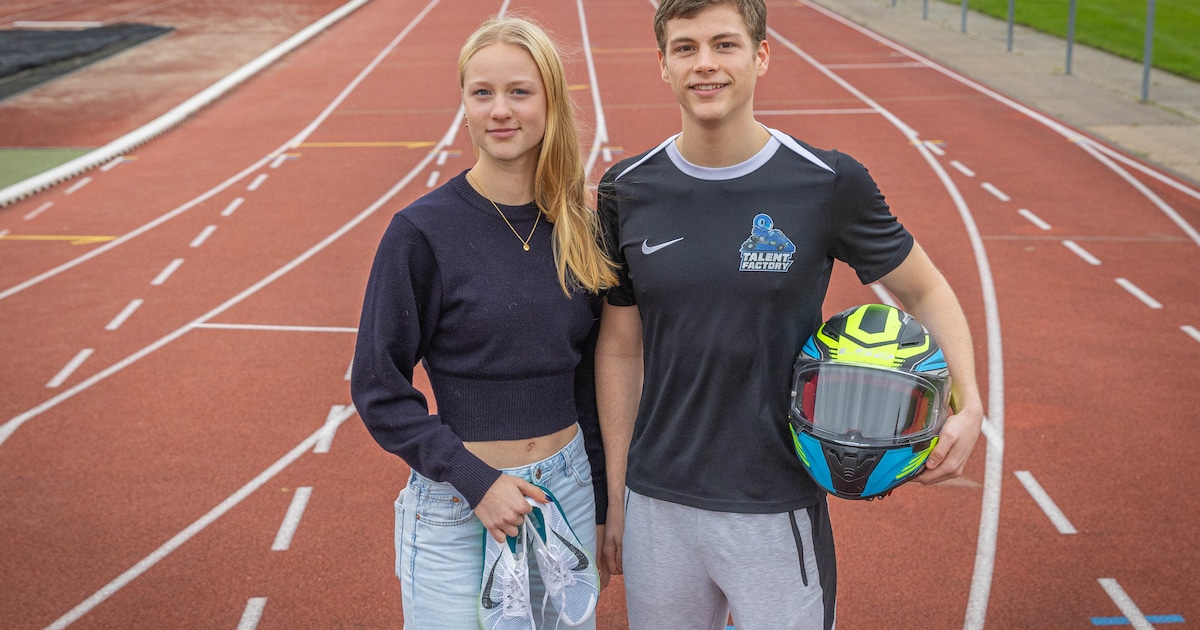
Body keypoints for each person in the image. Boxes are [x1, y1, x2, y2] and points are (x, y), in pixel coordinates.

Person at [594, 1, 985, 628]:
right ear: (663, 65)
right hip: (657, 502)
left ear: (761, 55)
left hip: (776, 503)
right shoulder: (624, 189)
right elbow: (619, 347)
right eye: (686, 48)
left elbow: (925, 290)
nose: (705, 64)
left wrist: (970, 404)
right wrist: (617, 493)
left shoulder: (827, 181)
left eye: (725, 45)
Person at [351, 15, 616, 629]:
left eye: (519, 92)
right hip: (459, 504)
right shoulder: (421, 232)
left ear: (550, 102)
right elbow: (378, 388)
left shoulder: (580, 227)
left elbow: (589, 385)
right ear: (464, 105)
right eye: (482, 93)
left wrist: (599, 501)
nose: (501, 110)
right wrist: (475, 481)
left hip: (566, 491)